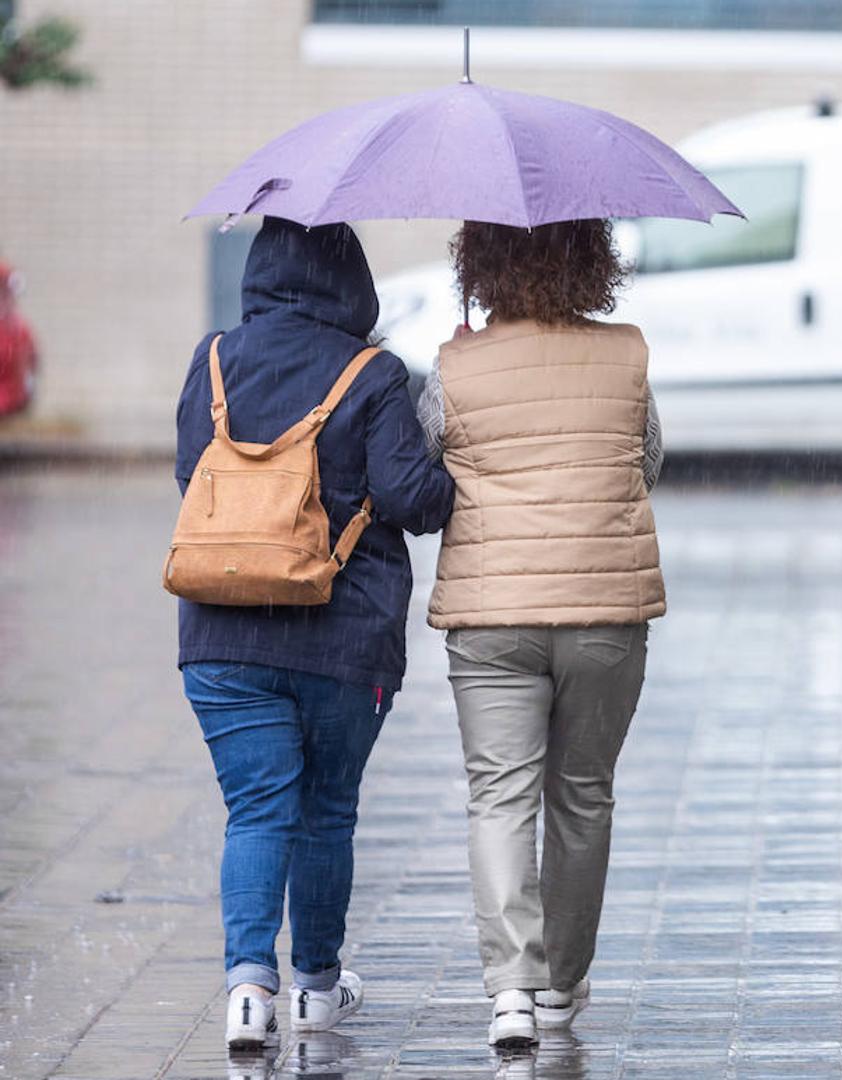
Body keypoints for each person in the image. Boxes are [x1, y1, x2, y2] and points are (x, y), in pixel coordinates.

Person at [175, 217, 454, 1051]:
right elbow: (417, 502)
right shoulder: (373, 374)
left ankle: (249, 993)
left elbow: (195, 475)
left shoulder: (214, 358)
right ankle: (317, 991)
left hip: (223, 633)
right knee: (326, 812)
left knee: (256, 808)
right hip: (344, 638)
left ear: (261, 270)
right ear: (353, 281)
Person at [416, 218, 664, 1050]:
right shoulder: (626, 352)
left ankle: (511, 992)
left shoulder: (456, 363)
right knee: (583, 795)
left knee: (499, 797)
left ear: (480, 266)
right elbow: (647, 462)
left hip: (492, 618)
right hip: (604, 610)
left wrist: (467, 381)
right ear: (591, 263)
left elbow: (428, 471)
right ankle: (562, 983)